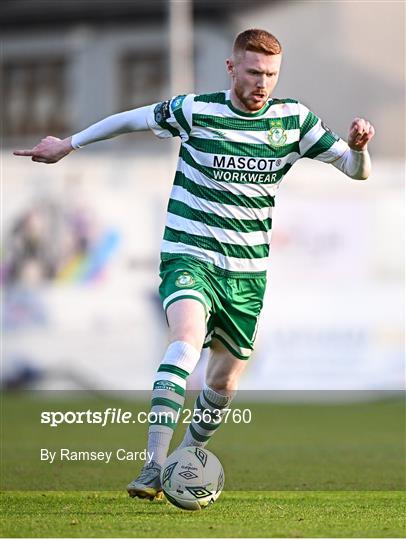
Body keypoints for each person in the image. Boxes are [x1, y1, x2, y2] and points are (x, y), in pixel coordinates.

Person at [14, 28, 375, 501]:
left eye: (270, 74)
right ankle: (151, 464)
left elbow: (354, 170)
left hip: (246, 275)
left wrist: (360, 147)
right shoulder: (196, 110)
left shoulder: (294, 121)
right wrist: (71, 143)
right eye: (252, 72)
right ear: (232, 68)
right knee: (184, 341)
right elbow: (133, 118)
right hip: (190, 254)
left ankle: (185, 459)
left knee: (224, 382)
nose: (261, 82)